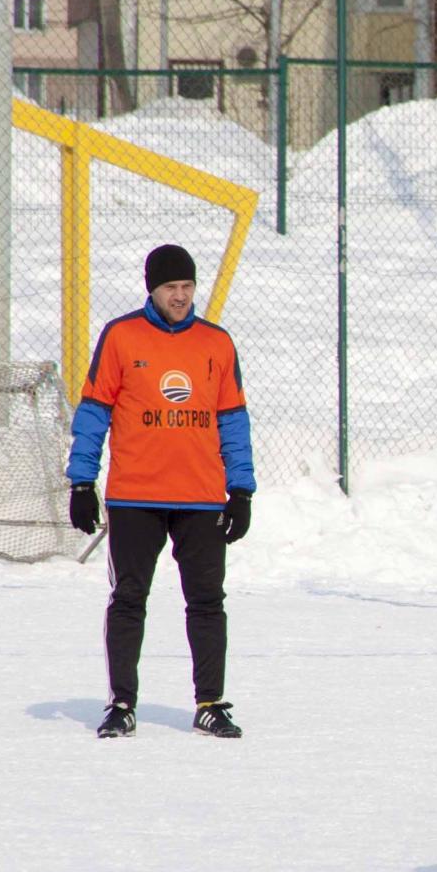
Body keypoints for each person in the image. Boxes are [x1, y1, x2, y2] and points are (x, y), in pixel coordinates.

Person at [66, 243, 255, 740]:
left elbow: (233, 420)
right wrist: (82, 480)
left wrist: (241, 489)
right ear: (152, 287)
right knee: (128, 598)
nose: (180, 295)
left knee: (207, 602)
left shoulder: (216, 342)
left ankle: (210, 702)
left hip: (201, 497)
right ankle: (122, 703)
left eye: (188, 286)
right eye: (171, 287)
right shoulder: (122, 336)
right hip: (135, 497)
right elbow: (93, 411)